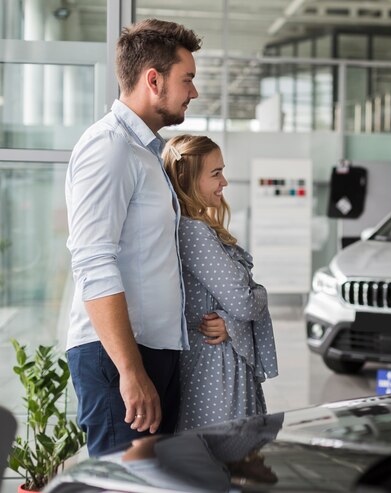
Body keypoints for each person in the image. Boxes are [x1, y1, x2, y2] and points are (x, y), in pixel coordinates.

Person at [65, 19, 211, 456]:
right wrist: (130, 371)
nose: (193, 92)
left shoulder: (145, 154)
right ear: (154, 79)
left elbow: (152, 261)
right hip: (121, 357)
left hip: (153, 352)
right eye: (187, 79)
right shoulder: (108, 147)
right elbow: (93, 262)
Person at [162, 135, 278, 431]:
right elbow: (245, 301)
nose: (224, 182)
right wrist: (261, 294)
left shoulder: (196, 228)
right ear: (188, 179)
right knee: (224, 460)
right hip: (215, 371)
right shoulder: (194, 233)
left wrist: (231, 323)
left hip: (216, 366)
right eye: (216, 174)